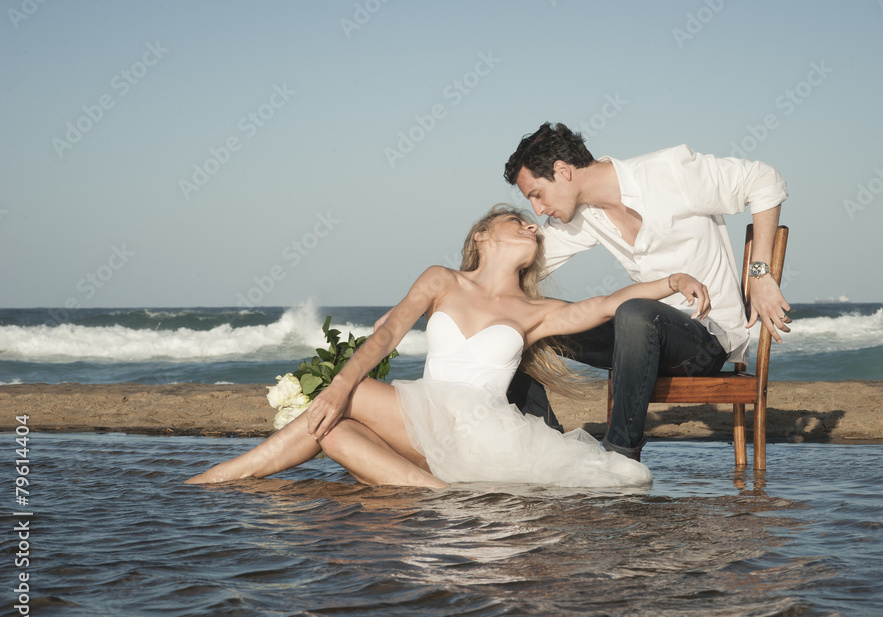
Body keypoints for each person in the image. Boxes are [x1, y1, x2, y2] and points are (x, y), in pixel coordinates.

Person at [186, 205, 713, 489]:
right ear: (482, 236)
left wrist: (670, 281)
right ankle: (434, 493)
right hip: (425, 416)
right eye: (516, 220)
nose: (532, 224)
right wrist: (340, 387)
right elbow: (388, 333)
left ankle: (219, 477)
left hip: (477, 428)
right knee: (337, 431)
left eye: (533, 225)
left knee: (346, 401)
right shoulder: (442, 280)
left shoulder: (534, 314)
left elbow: (605, 303)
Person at [503, 123, 791, 460]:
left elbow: (764, 179)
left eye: (537, 194)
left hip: (704, 339)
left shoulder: (669, 172)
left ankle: (620, 455)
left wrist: (760, 273)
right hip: (637, 342)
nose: (537, 210)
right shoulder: (581, 217)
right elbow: (516, 265)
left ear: (563, 171)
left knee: (635, 310)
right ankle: (549, 450)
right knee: (516, 324)